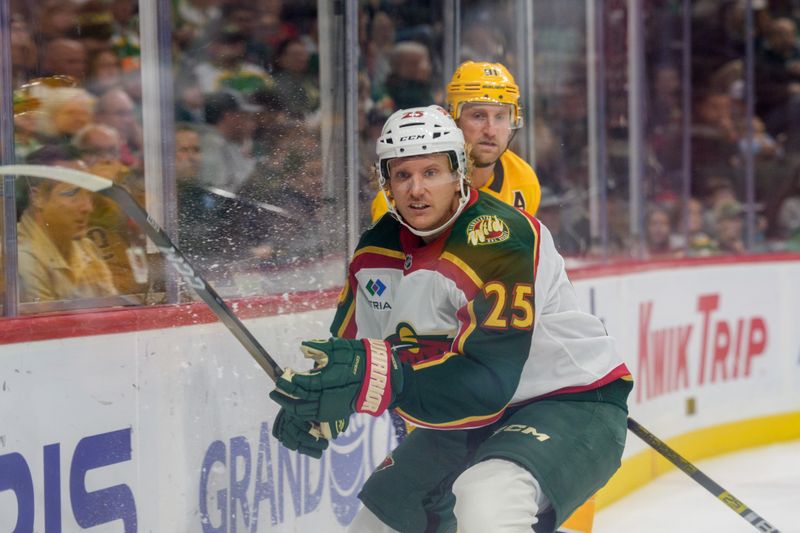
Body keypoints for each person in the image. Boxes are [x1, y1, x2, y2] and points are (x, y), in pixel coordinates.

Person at [270, 106, 632, 532]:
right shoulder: (374, 252)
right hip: (471, 419)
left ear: (459, 171)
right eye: (402, 175)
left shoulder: (497, 238)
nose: (417, 189)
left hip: (568, 401)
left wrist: (380, 378)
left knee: (485, 500)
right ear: (386, 182)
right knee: (377, 522)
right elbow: (350, 352)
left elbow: (489, 383)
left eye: (431, 172)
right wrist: (320, 405)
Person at [370, 61, 541, 221]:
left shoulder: (523, 181)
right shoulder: (407, 190)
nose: (490, 130)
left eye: (500, 117)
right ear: (454, 119)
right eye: (478, 116)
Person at [17, 145, 117, 304]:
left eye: (89, 194)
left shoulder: (86, 247)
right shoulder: (19, 256)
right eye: (72, 193)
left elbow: (114, 309)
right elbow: (44, 326)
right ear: (37, 198)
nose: (88, 207)